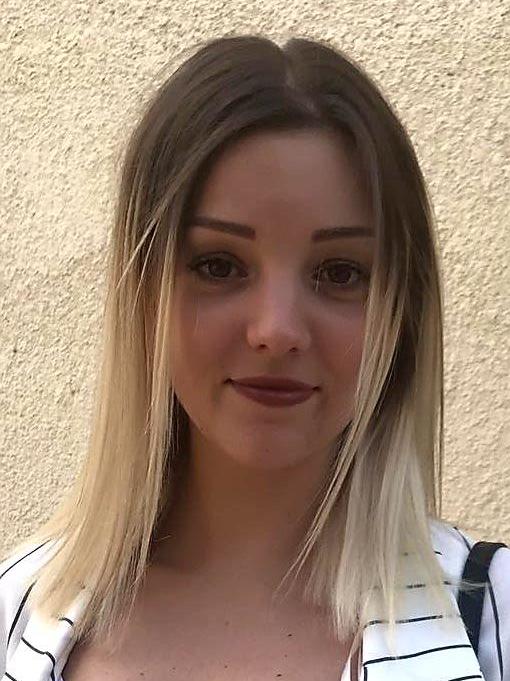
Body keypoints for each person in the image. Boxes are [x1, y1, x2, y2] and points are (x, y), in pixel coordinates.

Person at [0, 34, 508, 681]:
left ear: (401, 314)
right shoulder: (18, 612)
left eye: (340, 272)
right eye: (219, 265)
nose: (277, 330)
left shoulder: (490, 619)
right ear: (144, 297)